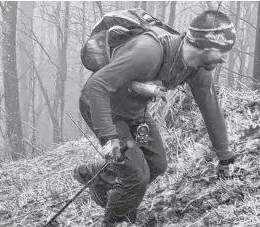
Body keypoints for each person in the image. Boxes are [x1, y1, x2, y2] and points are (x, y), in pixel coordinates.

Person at [74, 10, 237, 227]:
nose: (224, 59)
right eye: (221, 51)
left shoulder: (197, 70)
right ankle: (117, 221)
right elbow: (97, 87)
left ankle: (97, 178)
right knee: (137, 175)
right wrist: (110, 138)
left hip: (134, 110)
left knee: (157, 164)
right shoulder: (149, 52)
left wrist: (224, 157)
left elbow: (211, 108)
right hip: (102, 106)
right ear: (205, 46)